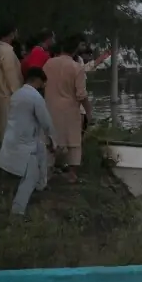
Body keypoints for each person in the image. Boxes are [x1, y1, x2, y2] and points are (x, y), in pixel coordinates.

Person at [0, 68, 56, 215]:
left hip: (12, 140)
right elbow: (46, 122)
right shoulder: (35, 97)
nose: (43, 86)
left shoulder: (16, 95)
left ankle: (41, 185)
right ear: (37, 80)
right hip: (25, 145)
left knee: (41, 151)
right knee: (30, 177)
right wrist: (54, 141)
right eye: (43, 82)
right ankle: (17, 211)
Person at [43, 36, 92, 183]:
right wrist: (89, 111)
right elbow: (81, 94)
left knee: (50, 139)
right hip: (70, 108)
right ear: (75, 50)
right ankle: (72, 174)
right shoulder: (76, 68)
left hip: (50, 106)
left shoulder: (48, 64)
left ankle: (47, 172)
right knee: (73, 141)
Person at [0, 25, 24, 139]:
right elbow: (11, 75)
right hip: (7, 94)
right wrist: (18, 93)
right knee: (7, 129)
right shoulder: (7, 52)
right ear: (11, 34)